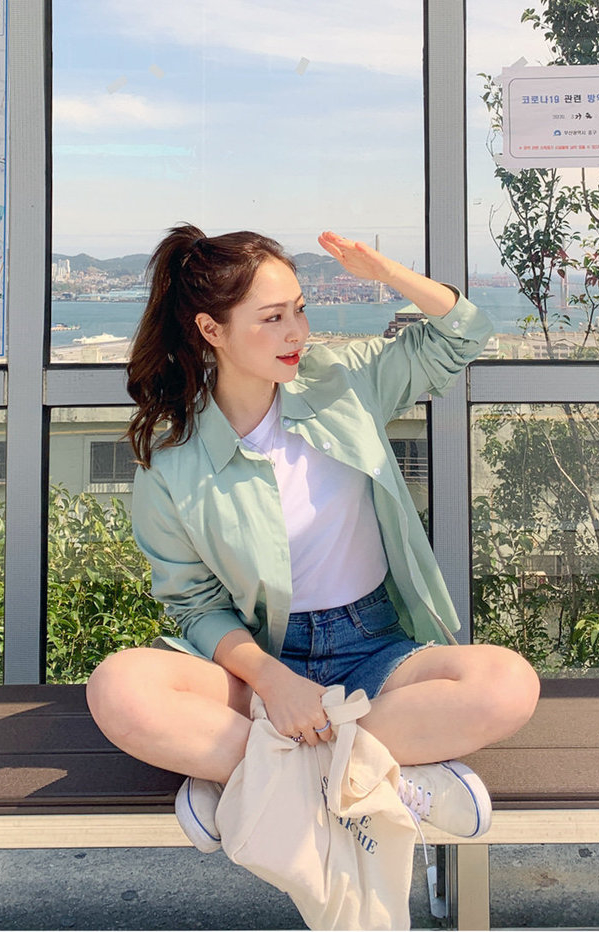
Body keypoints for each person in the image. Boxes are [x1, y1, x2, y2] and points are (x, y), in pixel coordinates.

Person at [86, 224, 540, 853]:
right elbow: (195, 606)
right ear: (211, 330)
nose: (296, 332)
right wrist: (274, 683)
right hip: (258, 662)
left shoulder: (343, 381)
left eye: (299, 310)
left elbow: (463, 333)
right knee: (118, 689)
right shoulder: (172, 462)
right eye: (272, 318)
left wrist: (387, 275)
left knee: (508, 684)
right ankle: (376, 772)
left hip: (374, 645)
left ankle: (249, 775)